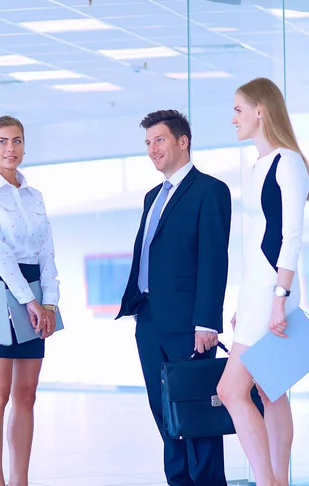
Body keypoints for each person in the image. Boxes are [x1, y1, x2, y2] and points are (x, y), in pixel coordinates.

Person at [116, 110, 232, 486]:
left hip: (189, 323)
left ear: (183, 141)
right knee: (165, 413)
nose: (152, 149)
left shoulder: (210, 191)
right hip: (149, 318)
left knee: (197, 412)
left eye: (159, 140)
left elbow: (215, 259)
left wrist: (207, 322)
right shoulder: (153, 196)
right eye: (148, 143)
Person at [217, 78, 309, 486]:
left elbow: (289, 235)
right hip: (261, 292)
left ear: (261, 110)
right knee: (271, 391)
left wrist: (278, 297)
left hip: (274, 292)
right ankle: (278, 482)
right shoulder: (259, 165)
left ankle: (268, 481)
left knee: (231, 390)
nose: (233, 117)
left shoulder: (287, 162)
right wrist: (247, 301)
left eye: (239, 109)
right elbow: (257, 242)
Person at [0, 115, 60, 486]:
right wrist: (28, 301)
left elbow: (47, 254)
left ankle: (20, 480)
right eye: (4, 142)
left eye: (18, 141)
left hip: (35, 293)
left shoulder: (35, 196)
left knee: (27, 393)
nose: (11, 149)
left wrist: (50, 303)